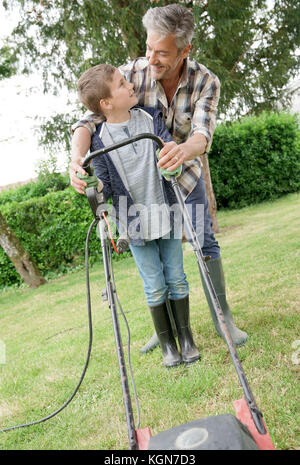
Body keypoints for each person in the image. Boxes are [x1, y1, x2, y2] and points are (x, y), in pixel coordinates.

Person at [69, 4, 248, 349]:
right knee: (151, 255)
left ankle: (222, 316)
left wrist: (183, 150)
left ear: (184, 51)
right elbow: (87, 121)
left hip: (185, 177)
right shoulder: (132, 74)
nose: (150, 58)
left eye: (161, 52)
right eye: (149, 48)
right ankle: (163, 326)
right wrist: (77, 159)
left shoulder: (206, 82)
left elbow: (202, 135)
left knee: (203, 242)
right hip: (142, 188)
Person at [76, 63, 201, 367]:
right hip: (133, 223)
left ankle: (186, 338)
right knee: (154, 284)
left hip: (166, 212)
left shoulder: (150, 118)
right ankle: (168, 344)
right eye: (121, 84)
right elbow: (103, 184)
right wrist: (96, 187)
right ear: (106, 103)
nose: (130, 85)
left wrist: (172, 159)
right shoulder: (99, 142)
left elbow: (167, 148)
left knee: (176, 277)